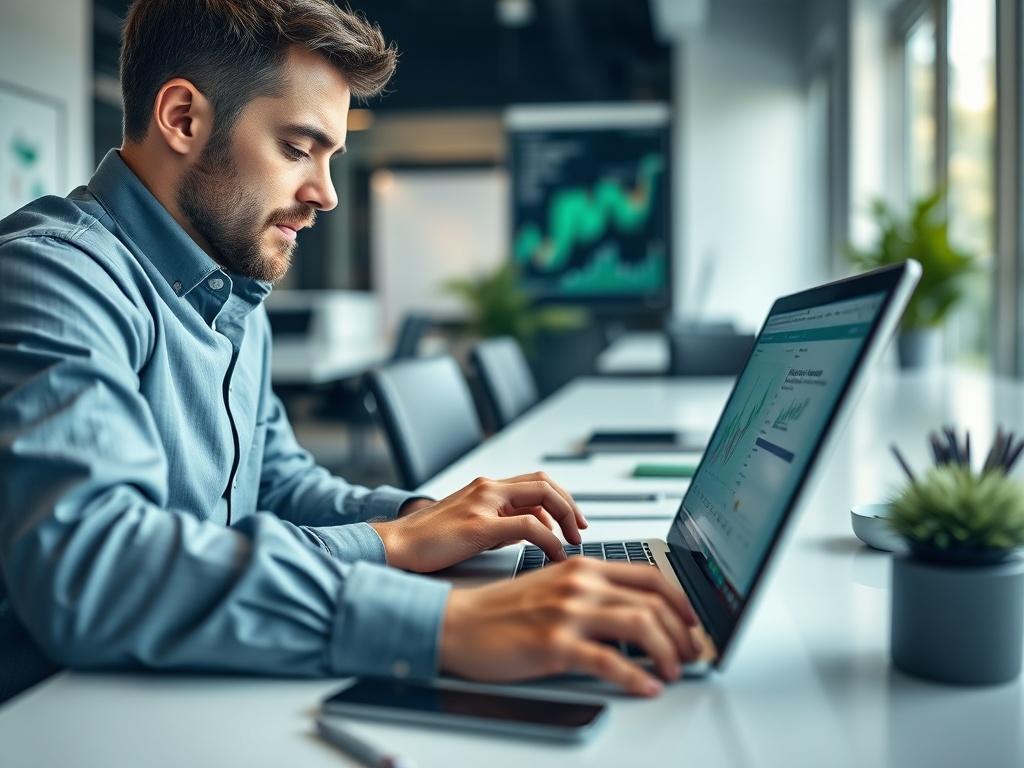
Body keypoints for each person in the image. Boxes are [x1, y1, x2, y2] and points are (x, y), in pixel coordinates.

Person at [0, 0, 701, 702]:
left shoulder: (229, 287)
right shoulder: (53, 277)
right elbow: (94, 570)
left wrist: (422, 517)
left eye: (331, 157)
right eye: (298, 148)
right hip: (59, 709)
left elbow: (272, 489)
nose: (327, 194)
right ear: (183, 118)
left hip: (177, 684)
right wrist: (431, 614)